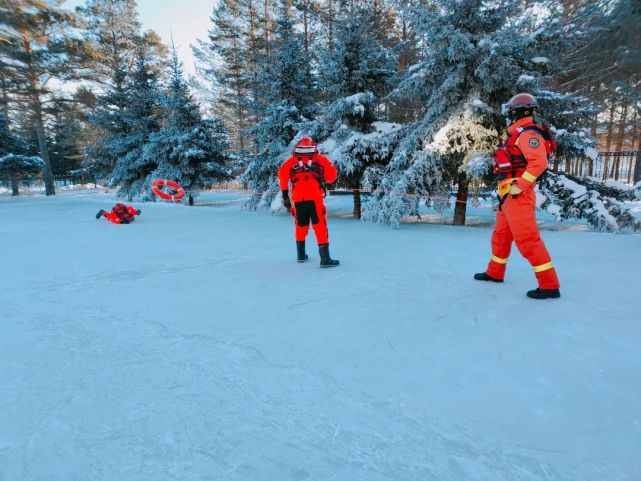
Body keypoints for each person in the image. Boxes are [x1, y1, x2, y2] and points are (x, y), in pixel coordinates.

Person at [474, 93, 561, 299]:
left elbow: (539, 163)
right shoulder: (516, 134)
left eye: (511, 111)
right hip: (508, 195)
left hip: (519, 196)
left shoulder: (528, 135)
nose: (509, 115)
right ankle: (495, 273)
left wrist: (520, 186)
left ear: (519, 111)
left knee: (528, 240)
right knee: (501, 237)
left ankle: (549, 286)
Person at [278, 136, 340, 267]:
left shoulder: (290, 161)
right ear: (313, 147)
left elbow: (282, 177)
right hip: (315, 199)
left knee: (300, 225)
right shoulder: (320, 159)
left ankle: (301, 255)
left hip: (298, 199)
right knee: (320, 226)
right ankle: (325, 259)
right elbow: (331, 177)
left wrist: (285, 196)